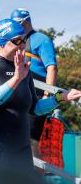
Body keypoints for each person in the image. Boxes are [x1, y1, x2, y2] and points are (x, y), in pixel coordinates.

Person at [0, 19, 81, 170]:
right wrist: (16, 79)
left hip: (21, 149)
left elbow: (34, 108)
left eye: (24, 40)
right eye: (17, 40)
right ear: (2, 42)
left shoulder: (23, 68)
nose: (22, 44)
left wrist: (59, 98)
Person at [11, 8, 58, 144]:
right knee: (16, 138)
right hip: (20, 95)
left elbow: (52, 68)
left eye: (17, 23)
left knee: (31, 141)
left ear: (26, 22)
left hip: (37, 95)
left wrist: (47, 95)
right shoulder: (15, 41)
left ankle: (33, 166)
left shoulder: (41, 39)